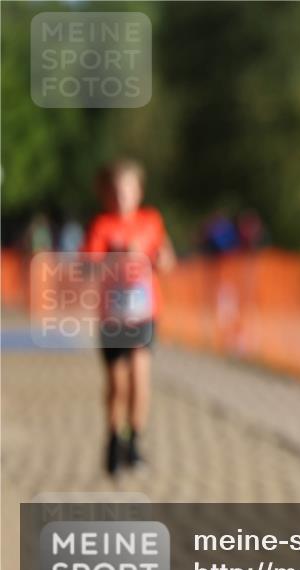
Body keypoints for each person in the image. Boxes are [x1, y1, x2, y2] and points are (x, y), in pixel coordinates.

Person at [82, 158, 175, 475]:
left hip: (144, 313)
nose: (123, 197)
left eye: (128, 190)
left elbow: (167, 258)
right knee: (117, 385)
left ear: (139, 192)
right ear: (107, 195)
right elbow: (87, 267)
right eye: (117, 191)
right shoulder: (102, 226)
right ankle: (112, 438)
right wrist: (117, 257)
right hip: (113, 316)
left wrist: (162, 259)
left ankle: (134, 442)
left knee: (140, 379)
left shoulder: (151, 221)